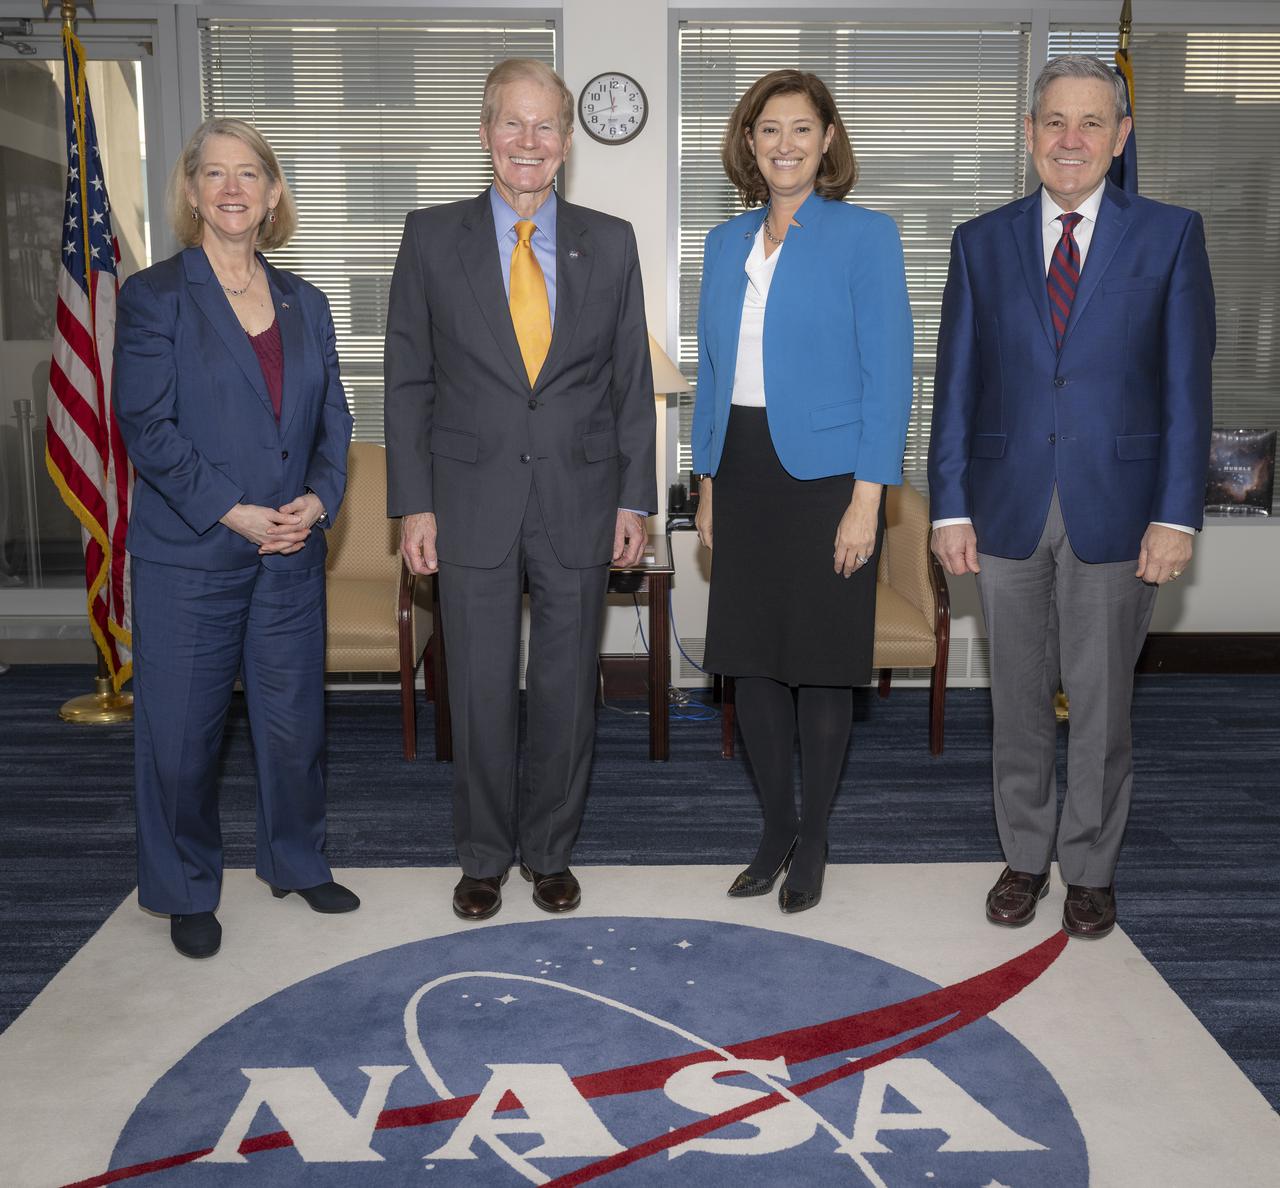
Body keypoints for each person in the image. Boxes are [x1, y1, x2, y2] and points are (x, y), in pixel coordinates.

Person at [928, 56, 1214, 939]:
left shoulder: (1168, 235)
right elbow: (957, 385)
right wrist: (948, 507)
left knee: (1099, 706)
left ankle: (1088, 867)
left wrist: (1176, 513)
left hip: (1121, 513)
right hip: (1004, 506)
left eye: (1092, 123)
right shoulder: (982, 241)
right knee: (1015, 701)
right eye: (1054, 121)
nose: (1071, 139)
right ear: (1029, 135)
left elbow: (1185, 386)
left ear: (1121, 137)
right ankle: (1024, 857)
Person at [384, 59, 656, 922]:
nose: (529, 143)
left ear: (568, 141)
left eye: (546, 127)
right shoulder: (430, 237)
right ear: (485, 133)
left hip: (581, 499)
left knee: (569, 690)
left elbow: (626, 385)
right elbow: (407, 383)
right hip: (467, 501)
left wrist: (637, 500)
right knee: (480, 687)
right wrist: (413, 503)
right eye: (513, 124)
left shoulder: (609, 241)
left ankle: (550, 852)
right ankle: (481, 856)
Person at [113, 117, 359, 959]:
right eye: (213, 173)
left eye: (248, 173)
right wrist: (232, 508)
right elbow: (147, 427)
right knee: (182, 735)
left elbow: (336, 419)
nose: (231, 188)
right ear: (190, 192)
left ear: (273, 194)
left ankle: (295, 859)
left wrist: (319, 502)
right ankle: (185, 884)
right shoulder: (154, 296)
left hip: (290, 551)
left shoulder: (306, 299)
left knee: (294, 726)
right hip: (192, 552)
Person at [692, 70, 913, 913]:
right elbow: (713, 373)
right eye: (767, 129)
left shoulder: (866, 236)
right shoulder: (723, 243)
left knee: (820, 668)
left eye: (800, 129)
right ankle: (774, 827)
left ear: (827, 141)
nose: (783, 144)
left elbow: (888, 376)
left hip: (829, 477)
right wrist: (706, 483)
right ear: (748, 144)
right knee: (749, 664)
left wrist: (869, 498)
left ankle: (815, 836)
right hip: (743, 468)